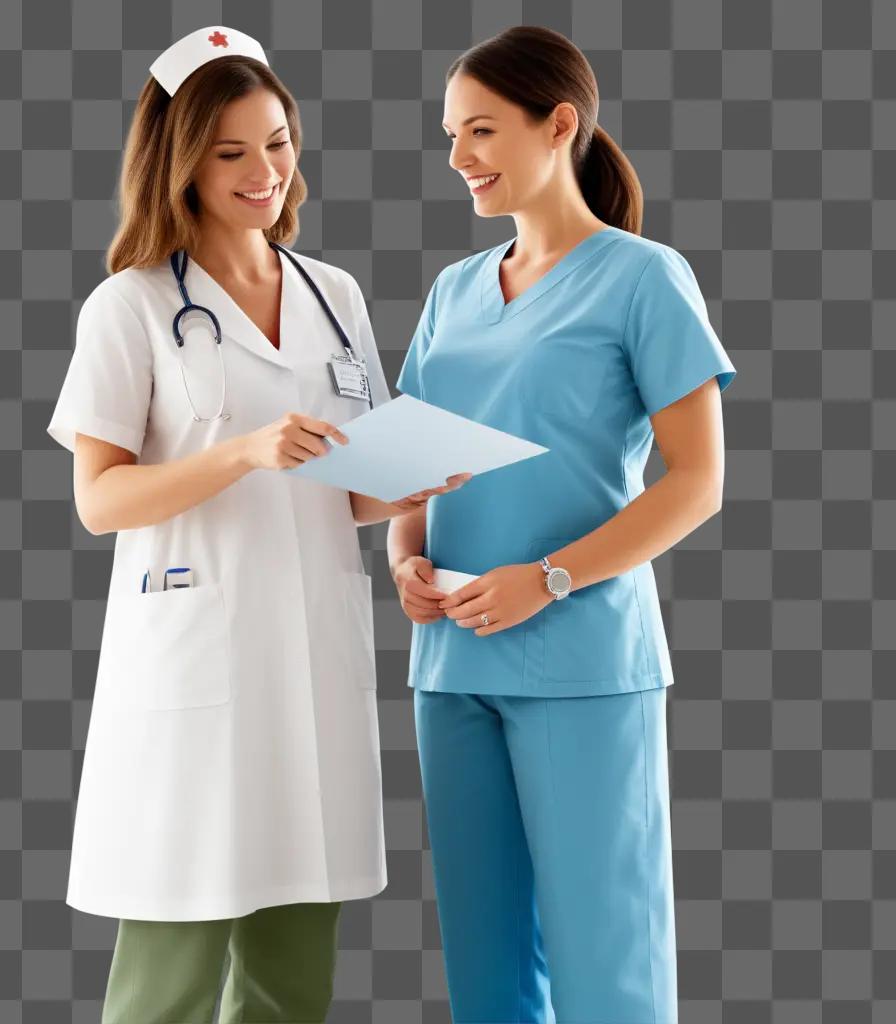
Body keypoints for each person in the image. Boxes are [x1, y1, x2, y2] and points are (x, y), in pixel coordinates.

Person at [45, 26, 468, 1024]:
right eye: (231, 151)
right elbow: (99, 500)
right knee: (171, 957)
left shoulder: (334, 294)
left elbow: (346, 487)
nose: (263, 172)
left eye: (276, 142)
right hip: (192, 659)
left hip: (309, 657)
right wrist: (240, 451)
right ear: (180, 160)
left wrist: (413, 484)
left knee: (292, 958)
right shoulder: (133, 306)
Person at [388, 25, 738, 1024]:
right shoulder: (454, 290)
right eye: (451, 133)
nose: (459, 156)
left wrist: (545, 578)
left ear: (560, 126)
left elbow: (697, 482)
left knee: (603, 954)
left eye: (482, 131)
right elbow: (411, 467)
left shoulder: (642, 277)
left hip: (581, 662)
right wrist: (404, 557)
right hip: (450, 665)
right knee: (486, 965)